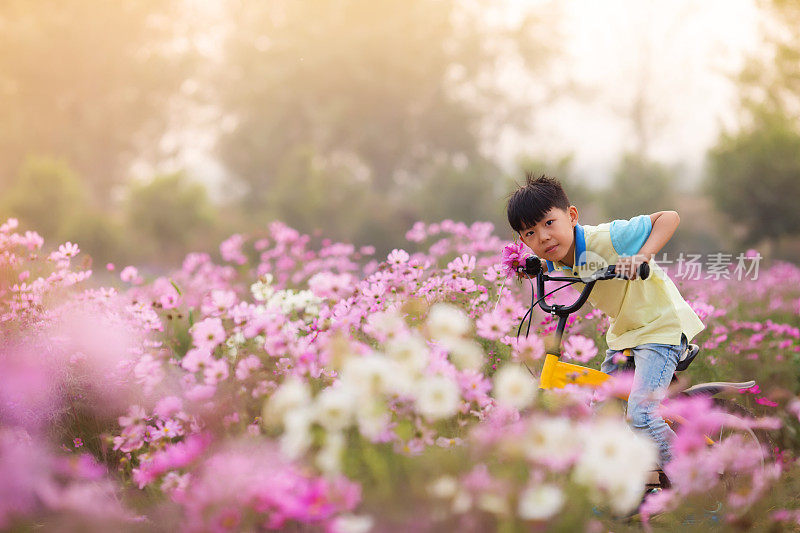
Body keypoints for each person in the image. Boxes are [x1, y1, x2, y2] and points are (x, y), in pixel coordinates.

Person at [506, 173, 705, 473]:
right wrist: (532, 268)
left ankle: (694, 484)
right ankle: (631, 485)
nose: (543, 237)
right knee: (604, 414)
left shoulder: (609, 237)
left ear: (571, 216)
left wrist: (641, 257)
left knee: (641, 415)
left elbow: (669, 217)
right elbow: (562, 262)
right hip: (625, 336)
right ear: (523, 240)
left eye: (549, 223)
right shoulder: (560, 256)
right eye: (530, 233)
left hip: (660, 329)